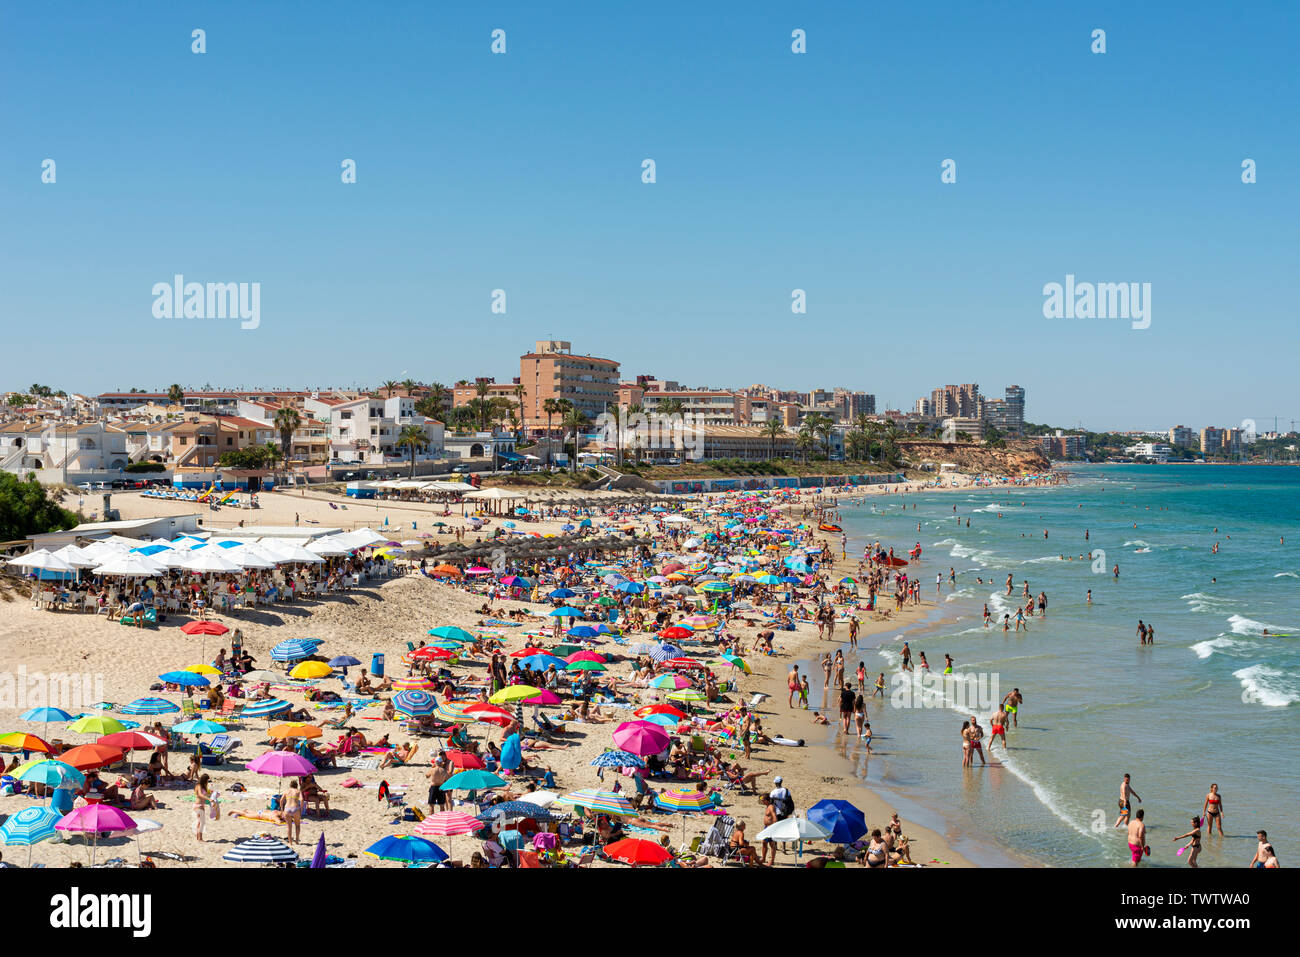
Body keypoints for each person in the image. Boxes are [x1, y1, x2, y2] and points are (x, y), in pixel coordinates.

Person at [193, 773, 213, 842]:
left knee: (200, 822)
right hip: (198, 805)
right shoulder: (198, 785)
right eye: (207, 780)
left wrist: (211, 793)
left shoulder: (203, 786)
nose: (208, 782)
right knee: (202, 822)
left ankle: (198, 837)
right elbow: (200, 794)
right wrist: (208, 799)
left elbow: (206, 794)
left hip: (201, 806)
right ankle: (200, 838)